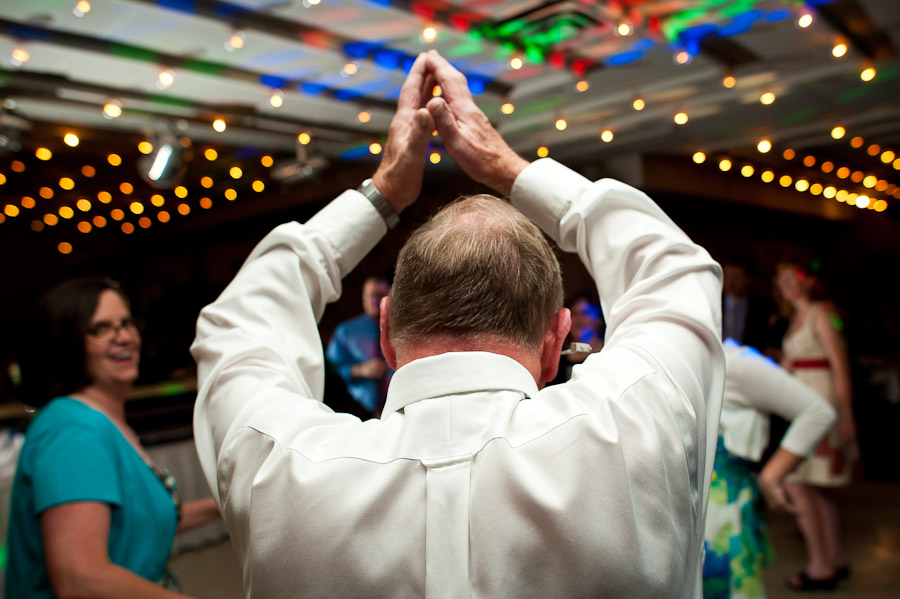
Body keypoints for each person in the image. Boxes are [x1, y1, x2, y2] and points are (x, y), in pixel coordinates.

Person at [192, 50, 723, 597]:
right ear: (555, 341)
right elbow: (677, 268)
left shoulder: (279, 469)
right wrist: (506, 166)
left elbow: (236, 323)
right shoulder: (636, 422)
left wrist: (384, 193)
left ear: (387, 336)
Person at [6, 276, 221, 599]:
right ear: (66, 342)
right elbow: (81, 580)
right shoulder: (73, 431)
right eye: (101, 329)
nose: (123, 337)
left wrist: (230, 502)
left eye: (126, 323)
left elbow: (140, 522)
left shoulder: (102, 421)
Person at [703, 339, 836, 598]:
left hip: (721, 515)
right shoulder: (658, 359)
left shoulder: (733, 363)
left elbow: (817, 412)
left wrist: (771, 476)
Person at [775, 263, 857, 591]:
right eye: (781, 281)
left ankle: (820, 566)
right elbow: (786, 366)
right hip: (801, 405)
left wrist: (846, 416)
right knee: (816, 486)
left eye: (792, 278)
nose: (787, 285)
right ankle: (836, 559)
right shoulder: (793, 320)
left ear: (807, 282)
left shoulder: (821, 314)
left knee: (797, 480)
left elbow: (840, 369)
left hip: (821, 405)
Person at [325, 276, 393, 417]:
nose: (374, 301)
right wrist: (359, 370)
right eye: (369, 295)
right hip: (357, 411)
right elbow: (330, 371)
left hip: (399, 408)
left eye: (380, 295)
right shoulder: (347, 331)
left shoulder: (405, 329)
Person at [548, 291, 604, 385]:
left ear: (599, 319)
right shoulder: (556, 359)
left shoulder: (609, 351)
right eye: (574, 314)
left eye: (584, 313)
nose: (579, 319)